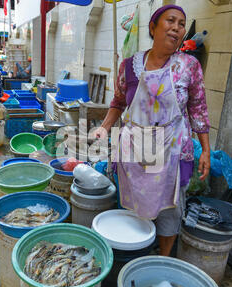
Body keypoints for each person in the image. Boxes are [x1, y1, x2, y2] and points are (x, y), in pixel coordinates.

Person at [94, 5, 211, 257]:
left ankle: (162, 258)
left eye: (182, 23)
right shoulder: (129, 65)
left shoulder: (189, 66)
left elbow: (198, 107)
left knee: (169, 207)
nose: (177, 28)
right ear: (153, 27)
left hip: (172, 147)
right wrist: (104, 128)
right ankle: (133, 250)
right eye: (170, 21)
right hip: (136, 146)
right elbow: (118, 101)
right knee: (135, 202)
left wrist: (206, 150)